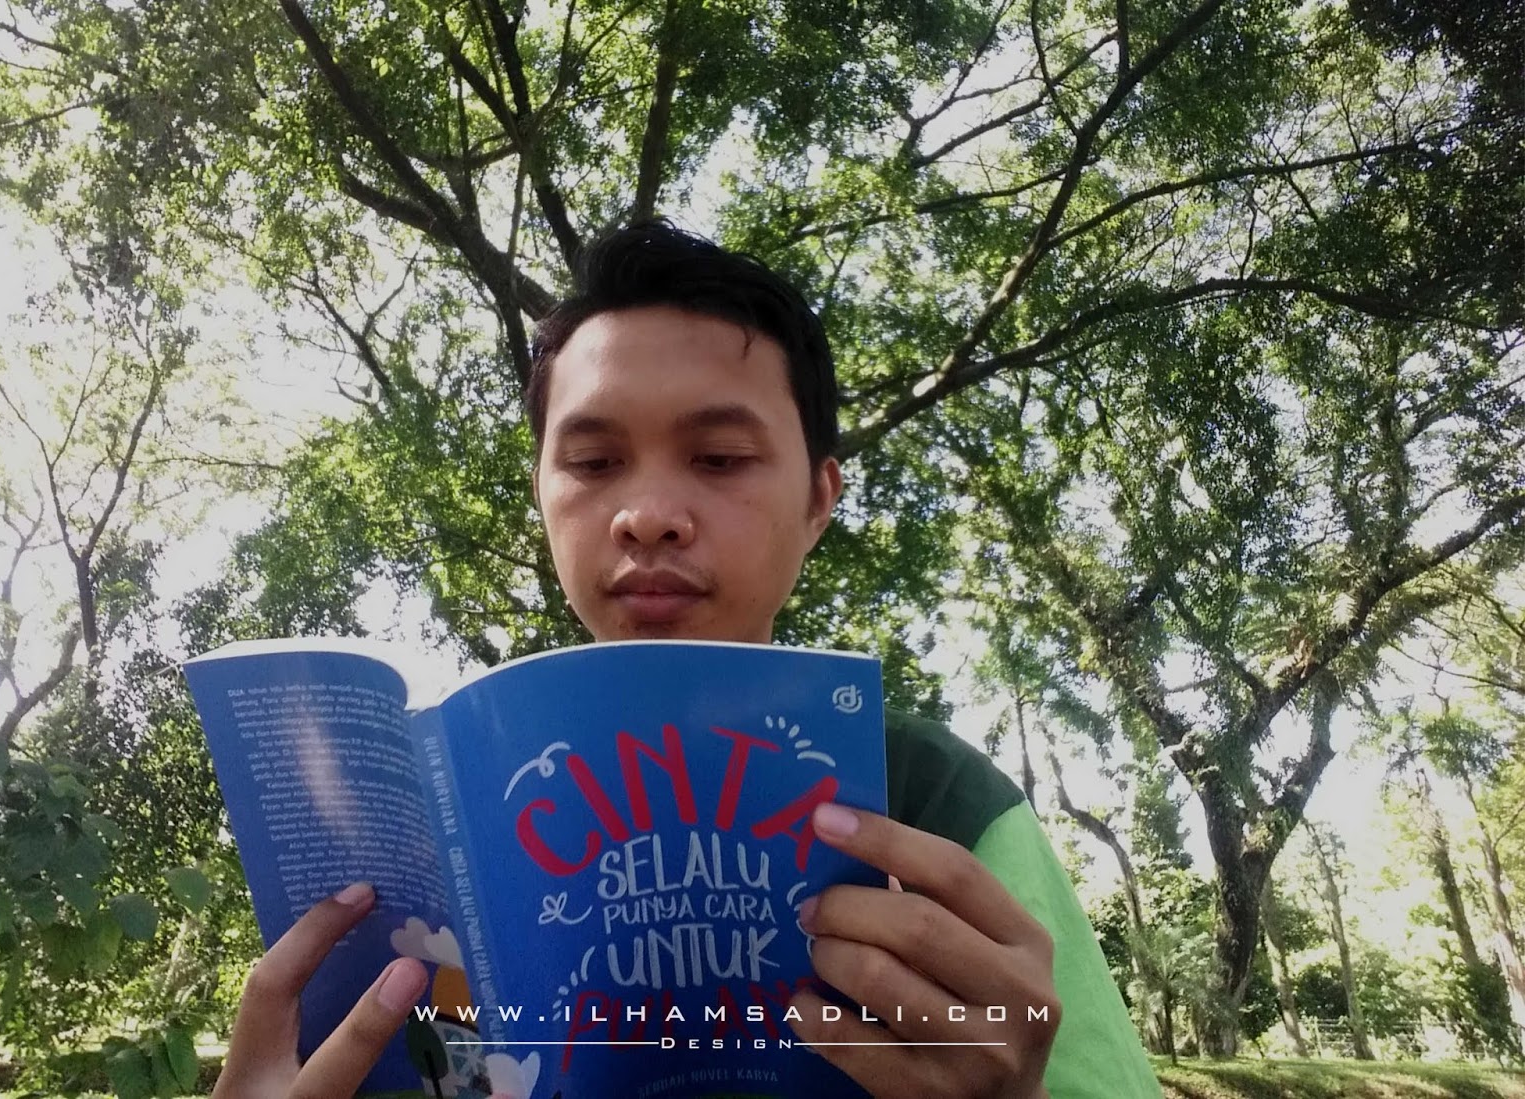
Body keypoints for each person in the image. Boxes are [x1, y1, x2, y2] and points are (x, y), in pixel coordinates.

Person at [212, 222, 1162, 1099]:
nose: (648, 514)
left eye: (719, 457)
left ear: (818, 500)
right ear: (542, 496)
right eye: (593, 463)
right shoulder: (438, 810)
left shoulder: (934, 798)